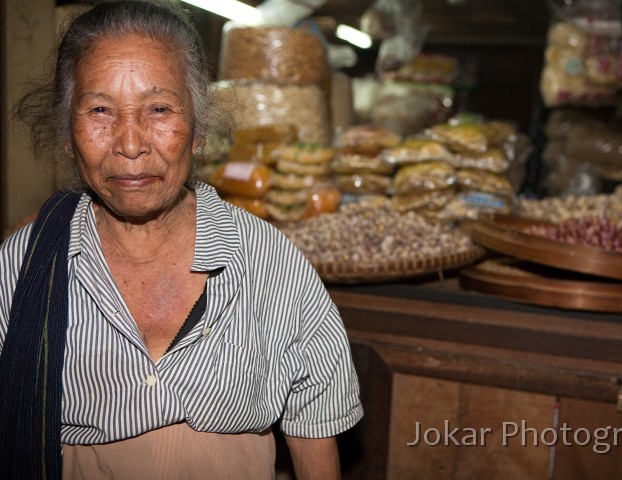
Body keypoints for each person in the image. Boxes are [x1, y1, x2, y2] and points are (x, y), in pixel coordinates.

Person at [0, 1, 363, 479]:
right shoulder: (24, 264)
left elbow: (315, 421)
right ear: (69, 131)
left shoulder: (267, 260)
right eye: (101, 110)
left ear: (197, 129)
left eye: (159, 109)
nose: (131, 144)